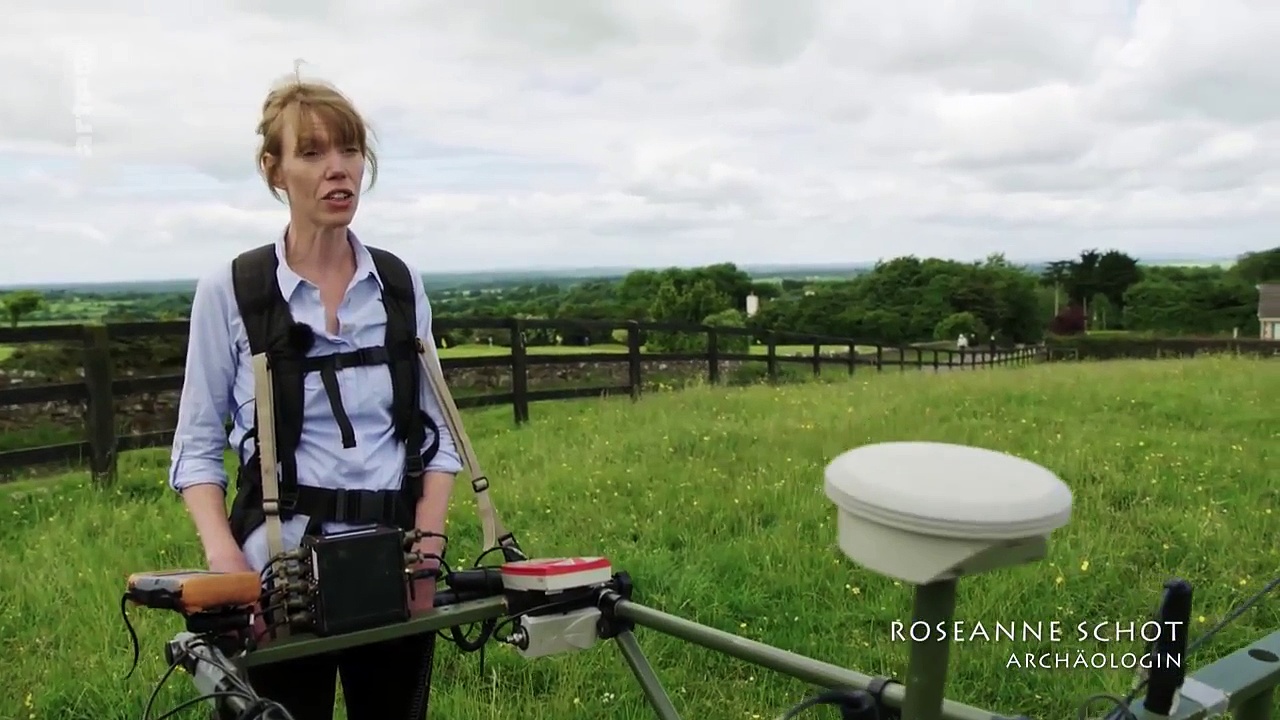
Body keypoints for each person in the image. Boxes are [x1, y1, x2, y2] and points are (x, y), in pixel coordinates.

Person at [167, 69, 462, 720]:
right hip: (277, 583)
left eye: (350, 150)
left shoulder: (397, 282)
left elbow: (438, 432)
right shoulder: (233, 291)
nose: (339, 170)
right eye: (312, 152)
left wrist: (428, 555)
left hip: (395, 566)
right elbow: (195, 452)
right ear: (275, 172)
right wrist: (228, 570)